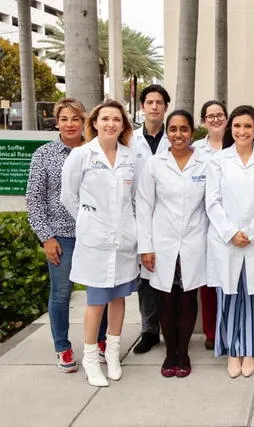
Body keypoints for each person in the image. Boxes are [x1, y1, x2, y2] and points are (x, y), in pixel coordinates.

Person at [25, 98, 108, 373]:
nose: (70, 124)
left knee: (99, 291)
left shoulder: (97, 151)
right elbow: (34, 201)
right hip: (62, 237)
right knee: (61, 294)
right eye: (64, 119)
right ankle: (62, 346)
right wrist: (46, 237)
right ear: (56, 122)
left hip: (95, 235)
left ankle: (99, 342)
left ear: (84, 121)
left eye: (75, 118)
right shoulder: (44, 155)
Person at [60, 100, 138, 387]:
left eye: (116, 119)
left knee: (119, 298)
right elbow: (69, 196)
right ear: (94, 123)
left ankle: (113, 353)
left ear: (123, 125)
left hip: (124, 241)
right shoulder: (82, 155)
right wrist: (88, 220)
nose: (111, 124)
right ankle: (91, 359)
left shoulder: (130, 156)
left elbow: (135, 197)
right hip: (95, 241)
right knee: (96, 302)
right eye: (105, 118)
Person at [206, 105, 254, 378]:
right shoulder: (218, 160)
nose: (242, 131)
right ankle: (232, 352)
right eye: (237, 126)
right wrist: (231, 232)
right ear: (230, 129)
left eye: (247, 126)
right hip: (227, 242)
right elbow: (211, 202)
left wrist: (250, 232)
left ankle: (250, 351)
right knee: (229, 298)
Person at [136, 110, 207, 378]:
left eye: (184, 129)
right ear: (168, 132)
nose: (179, 134)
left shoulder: (205, 164)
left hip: (194, 239)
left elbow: (211, 204)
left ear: (192, 132)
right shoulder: (155, 164)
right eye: (174, 129)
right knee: (166, 298)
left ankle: (184, 352)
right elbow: (144, 206)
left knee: (188, 296)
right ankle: (169, 354)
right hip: (162, 241)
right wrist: (146, 246)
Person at [131, 84, 171, 355]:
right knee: (144, 277)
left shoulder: (178, 137)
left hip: (169, 217)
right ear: (142, 107)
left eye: (159, 102)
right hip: (138, 215)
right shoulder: (129, 139)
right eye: (150, 102)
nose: (154, 106)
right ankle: (149, 330)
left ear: (165, 107)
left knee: (168, 274)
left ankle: (170, 328)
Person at [192, 100, 228, 350]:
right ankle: (211, 332)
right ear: (204, 121)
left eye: (220, 115)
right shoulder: (195, 149)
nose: (215, 119)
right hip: (202, 223)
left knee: (230, 279)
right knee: (208, 282)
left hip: (232, 223)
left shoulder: (238, 145)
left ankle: (229, 327)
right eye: (210, 116)